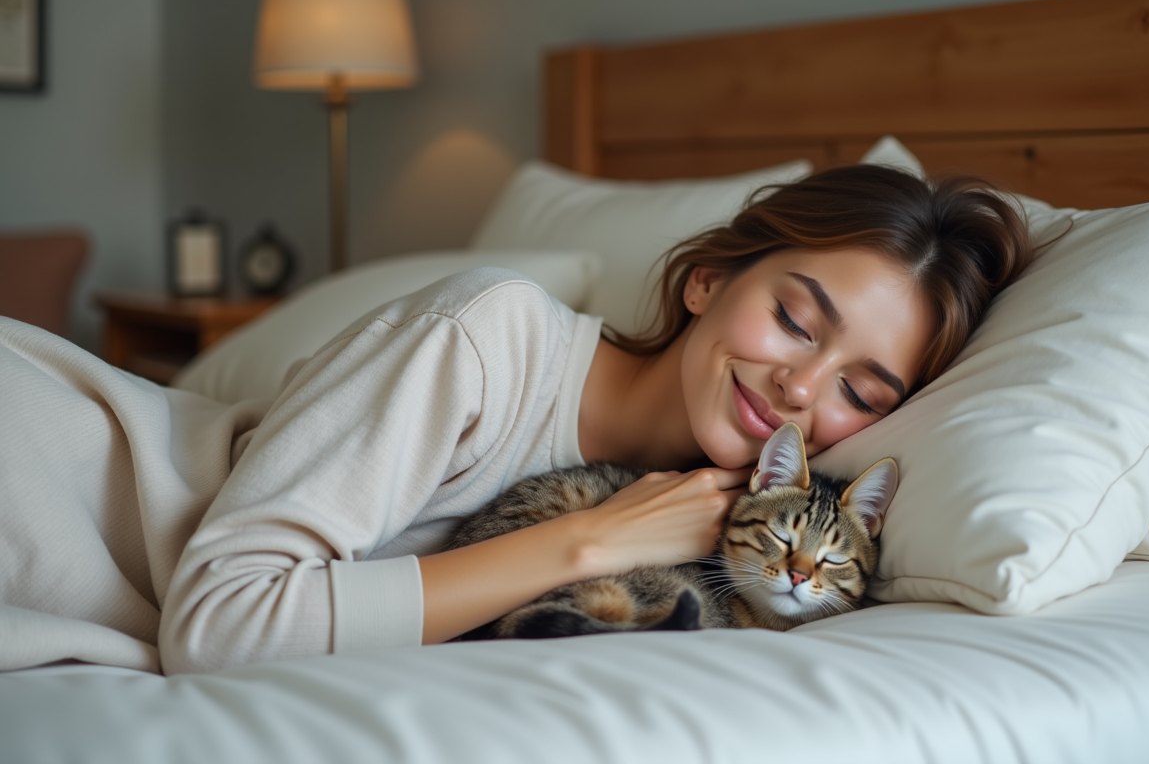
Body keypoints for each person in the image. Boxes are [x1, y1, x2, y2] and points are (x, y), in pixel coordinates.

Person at [0, 165, 1032, 675]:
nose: (804, 388)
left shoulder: (733, 529)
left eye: (861, 390)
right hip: (47, 464)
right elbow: (220, 624)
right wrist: (586, 540)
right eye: (796, 318)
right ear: (707, 280)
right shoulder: (487, 336)